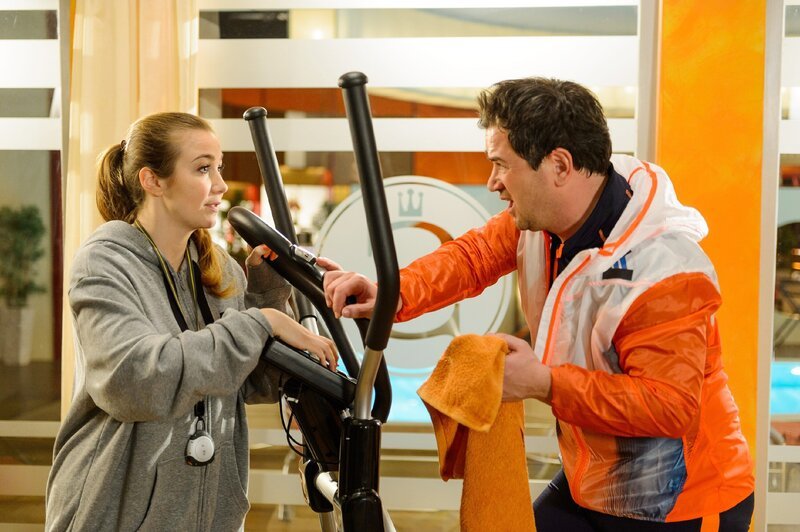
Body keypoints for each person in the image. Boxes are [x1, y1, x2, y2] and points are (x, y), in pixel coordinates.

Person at [319, 78, 754, 531]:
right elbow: (472, 257)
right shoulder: (541, 223)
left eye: (501, 166)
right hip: (594, 480)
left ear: (559, 165)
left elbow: (668, 406)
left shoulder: (664, 272)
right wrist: (390, 293)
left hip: (682, 500)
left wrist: (545, 383)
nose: (493, 184)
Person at [45, 112, 337, 531]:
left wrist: (269, 293)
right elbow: (134, 381)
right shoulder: (105, 262)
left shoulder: (221, 272)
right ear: (153, 181)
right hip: (115, 516)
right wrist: (261, 321)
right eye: (203, 168)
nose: (219, 184)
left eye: (219, 167)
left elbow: (258, 383)